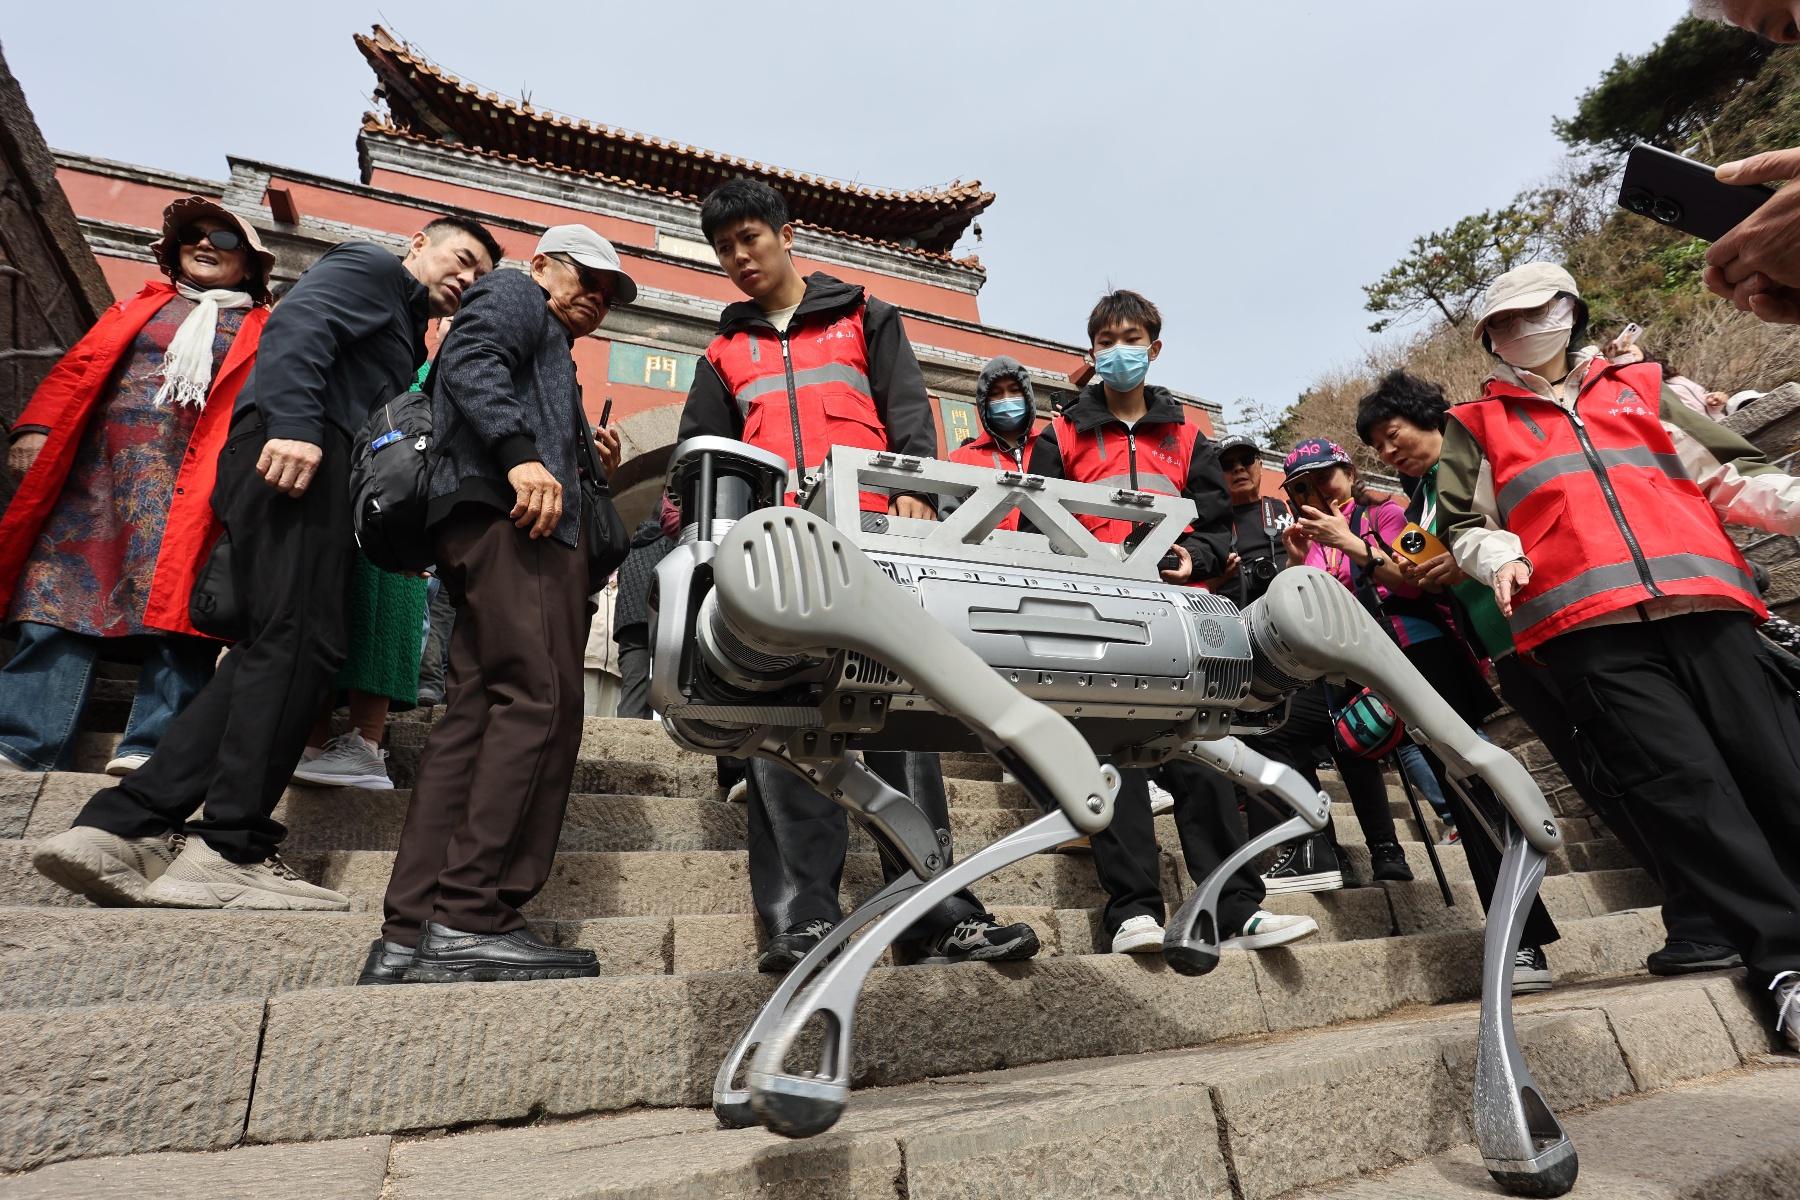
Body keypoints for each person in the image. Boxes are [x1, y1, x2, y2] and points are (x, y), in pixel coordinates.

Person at [32, 215, 499, 910]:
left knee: (278, 648)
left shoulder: (406, 323)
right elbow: (297, 328)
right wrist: (295, 425)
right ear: (417, 245)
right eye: (462, 258)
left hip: (312, 465)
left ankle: (123, 827)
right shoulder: (370, 266)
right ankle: (230, 846)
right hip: (299, 454)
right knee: (302, 643)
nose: (467, 278)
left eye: (481, 277)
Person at [679, 178, 1037, 972]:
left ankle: (937, 911)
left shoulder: (864, 315)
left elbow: (908, 413)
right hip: (776, 565)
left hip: (873, 546)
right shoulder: (721, 353)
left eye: (750, 238)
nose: (739, 257)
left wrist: (914, 492)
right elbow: (706, 464)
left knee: (899, 723)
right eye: (725, 248)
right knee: (784, 729)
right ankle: (803, 917)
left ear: (786, 234)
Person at [1440, 260, 1800, 1046]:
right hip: (1587, 632)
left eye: (1532, 312)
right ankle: (1782, 964)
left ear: (1571, 308)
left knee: (1780, 768)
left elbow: (1733, 474)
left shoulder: (1645, 385)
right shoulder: (1475, 424)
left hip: (1706, 605)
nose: (1518, 330)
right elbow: (1462, 522)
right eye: (1501, 323)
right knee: (1690, 795)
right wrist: (1500, 555)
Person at [1359, 368, 1740, 978]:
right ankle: (1694, 909)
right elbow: (1438, 570)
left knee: (1639, 766)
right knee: (1602, 780)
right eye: (1377, 445)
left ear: (1429, 415)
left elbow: (1541, 520)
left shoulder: (1488, 453)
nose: (1387, 451)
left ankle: (1714, 910)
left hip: (1567, 629)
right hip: (1512, 655)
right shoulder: (1418, 503)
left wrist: (1462, 560)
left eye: (1392, 432)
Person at [364, 225, 628, 984]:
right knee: (540, 702)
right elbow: (472, 359)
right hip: (519, 530)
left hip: (489, 527)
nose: (596, 298)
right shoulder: (516, 293)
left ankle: (410, 930)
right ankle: (472, 915)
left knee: (477, 716)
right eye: (585, 278)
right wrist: (522, 457)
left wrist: (577, 456)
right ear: (542, 264)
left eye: (609, 294)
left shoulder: (548, 341)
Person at [1027, 290, 1317, 957]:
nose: (1117, 351)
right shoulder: (1061, 434)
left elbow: (1216, 527)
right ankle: (1132, 912)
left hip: (1178, 615)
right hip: (1094, 613)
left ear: (1154, 349)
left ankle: (1236, 907)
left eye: (1131, 339)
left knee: (1202, 754)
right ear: (1091, 351)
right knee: (1111, 759)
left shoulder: (1188, 437)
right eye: (1105, 341)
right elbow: (1033, 521)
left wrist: (1198, 557)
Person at [0, 197, 271, 777]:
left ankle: (152, 745)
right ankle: (26, 740)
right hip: (98, 477)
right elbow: (77, 367)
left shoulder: (267, 330)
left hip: (194, 486)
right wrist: (36, 427)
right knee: (56, 595)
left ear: (249, 264)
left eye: (225, 239)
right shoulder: (139, 307)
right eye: (194, 236)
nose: (206, 244)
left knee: (182, 609)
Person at [1275, 440, 1421, 888]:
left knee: (1357, 746)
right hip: (1334, 667)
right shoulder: (1310, 542)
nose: (1318, 491)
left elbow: (1415, 582)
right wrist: (1295, 564)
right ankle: (1320, 846)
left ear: (1350, 472)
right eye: (1302, 487)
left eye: (1325, 477)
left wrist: (1351, 543)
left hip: (1394, 655)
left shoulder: (1385, 515)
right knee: (1287, 729)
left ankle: (1387, 849)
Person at [612, 505, 677, 720]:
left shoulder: (630, 546)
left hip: (628, 625)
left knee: (634, 688)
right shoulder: (669, 542)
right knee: (671, 687)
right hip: (660, 619)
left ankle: (626, 735)